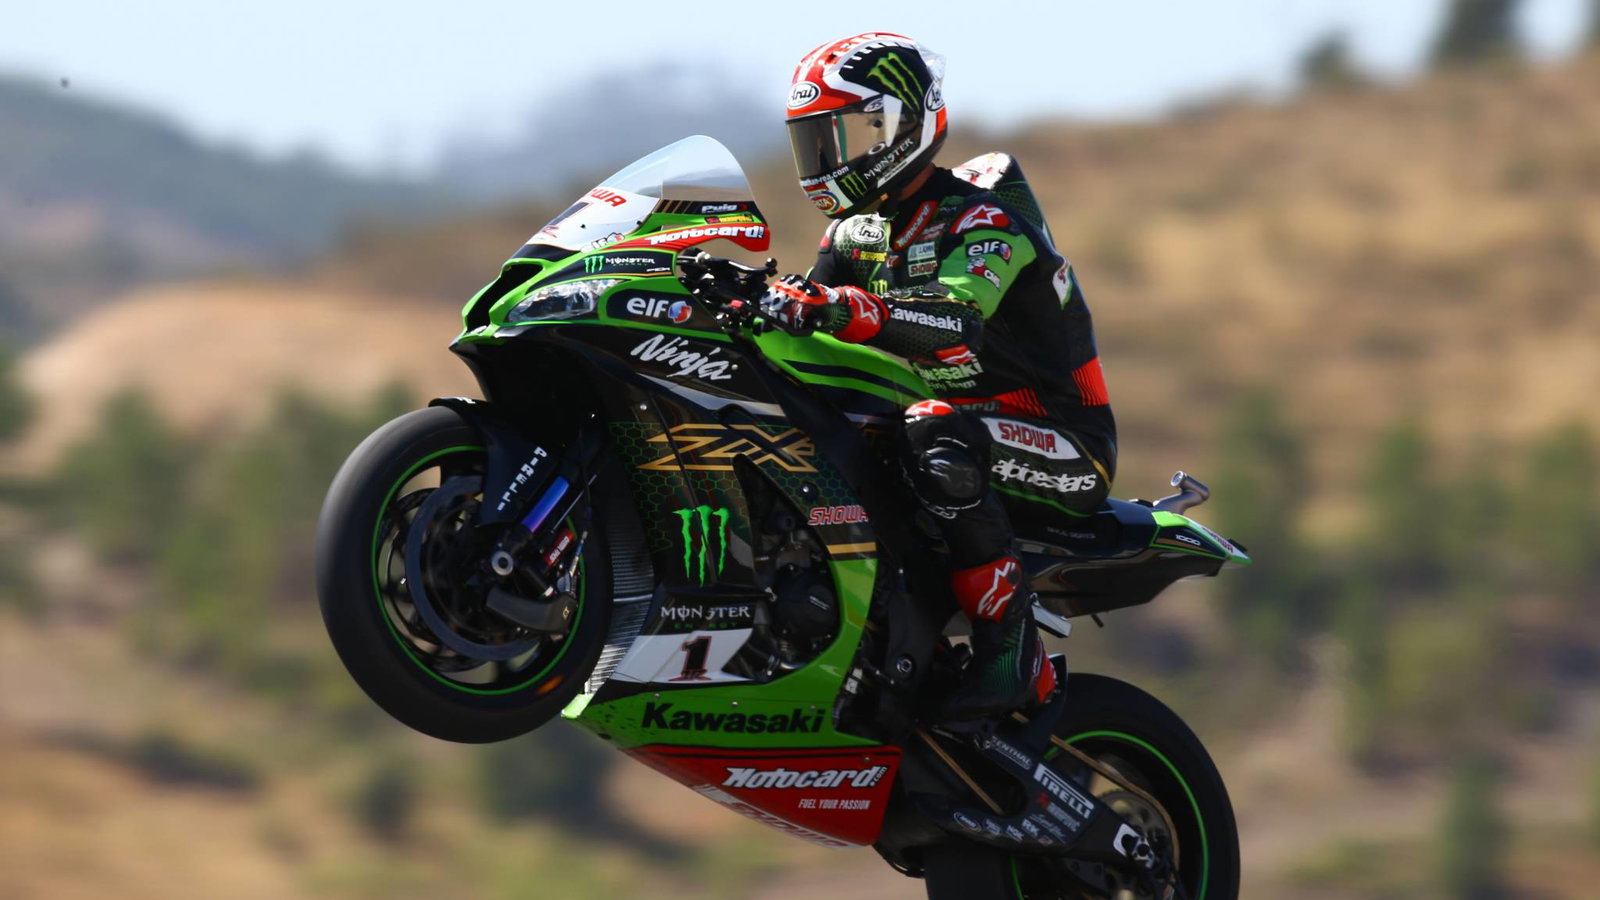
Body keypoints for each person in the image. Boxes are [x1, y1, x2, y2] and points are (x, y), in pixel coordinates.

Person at [762, 33, 1117, 720]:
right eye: (817, 141)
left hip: (1066, 445)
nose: (828, 158)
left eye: (845, 135)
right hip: (957, 431)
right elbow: (797, 330)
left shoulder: (987, 222)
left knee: (931, 430)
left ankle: (1010, 646)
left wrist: (840, 306)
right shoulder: (854, 235)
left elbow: (956, 322)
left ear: (900, 126)